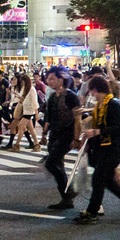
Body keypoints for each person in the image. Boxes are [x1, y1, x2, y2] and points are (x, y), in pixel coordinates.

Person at [73, 75, 120, 225]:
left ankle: (92, 212)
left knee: (98, 179)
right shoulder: (100, 107)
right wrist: (89, 139)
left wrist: (97, 132)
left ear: (97, 89)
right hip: (103, 149)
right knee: (108, 181)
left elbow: (117, 127)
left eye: (92, 90)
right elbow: (98, 127)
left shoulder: (113, 105)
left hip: (114, 149)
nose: (91, 94)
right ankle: (92, 211)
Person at [42, 67, 81, 210]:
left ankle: (68, 191)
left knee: (50, 163)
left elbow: (77, 118)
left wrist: (76, 138)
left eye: (52, 78)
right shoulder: (52, 96)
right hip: (54, 135)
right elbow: (49, 117)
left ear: (61, 79)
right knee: (58, 164)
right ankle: (66, 199)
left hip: (66, 134)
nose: (49, 81)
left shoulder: (70, 95)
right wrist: (44, 135)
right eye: (48, 79)